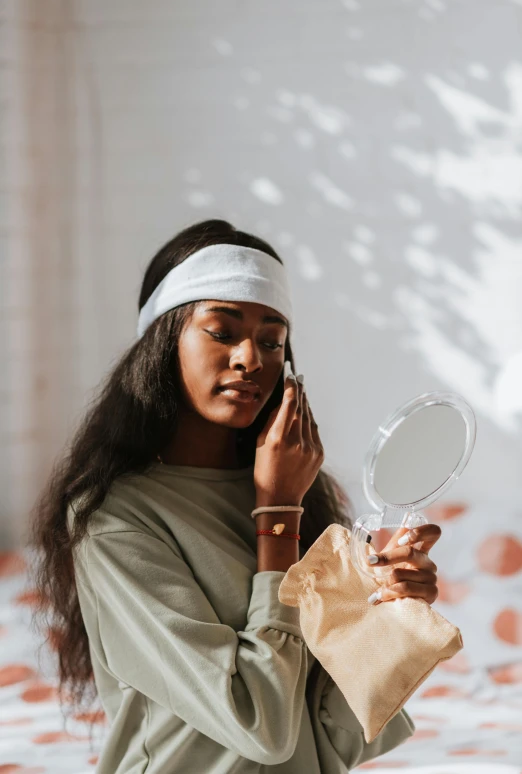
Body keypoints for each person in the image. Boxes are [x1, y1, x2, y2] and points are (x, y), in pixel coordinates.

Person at [28, 218, 416, 773]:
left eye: (272, 340)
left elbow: (344, 735)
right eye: (222, 331)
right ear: (165, 340)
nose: (250, 358)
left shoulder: (300, 493)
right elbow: (260, 727)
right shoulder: (114, 518)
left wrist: (393, 613)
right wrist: (277, 518)